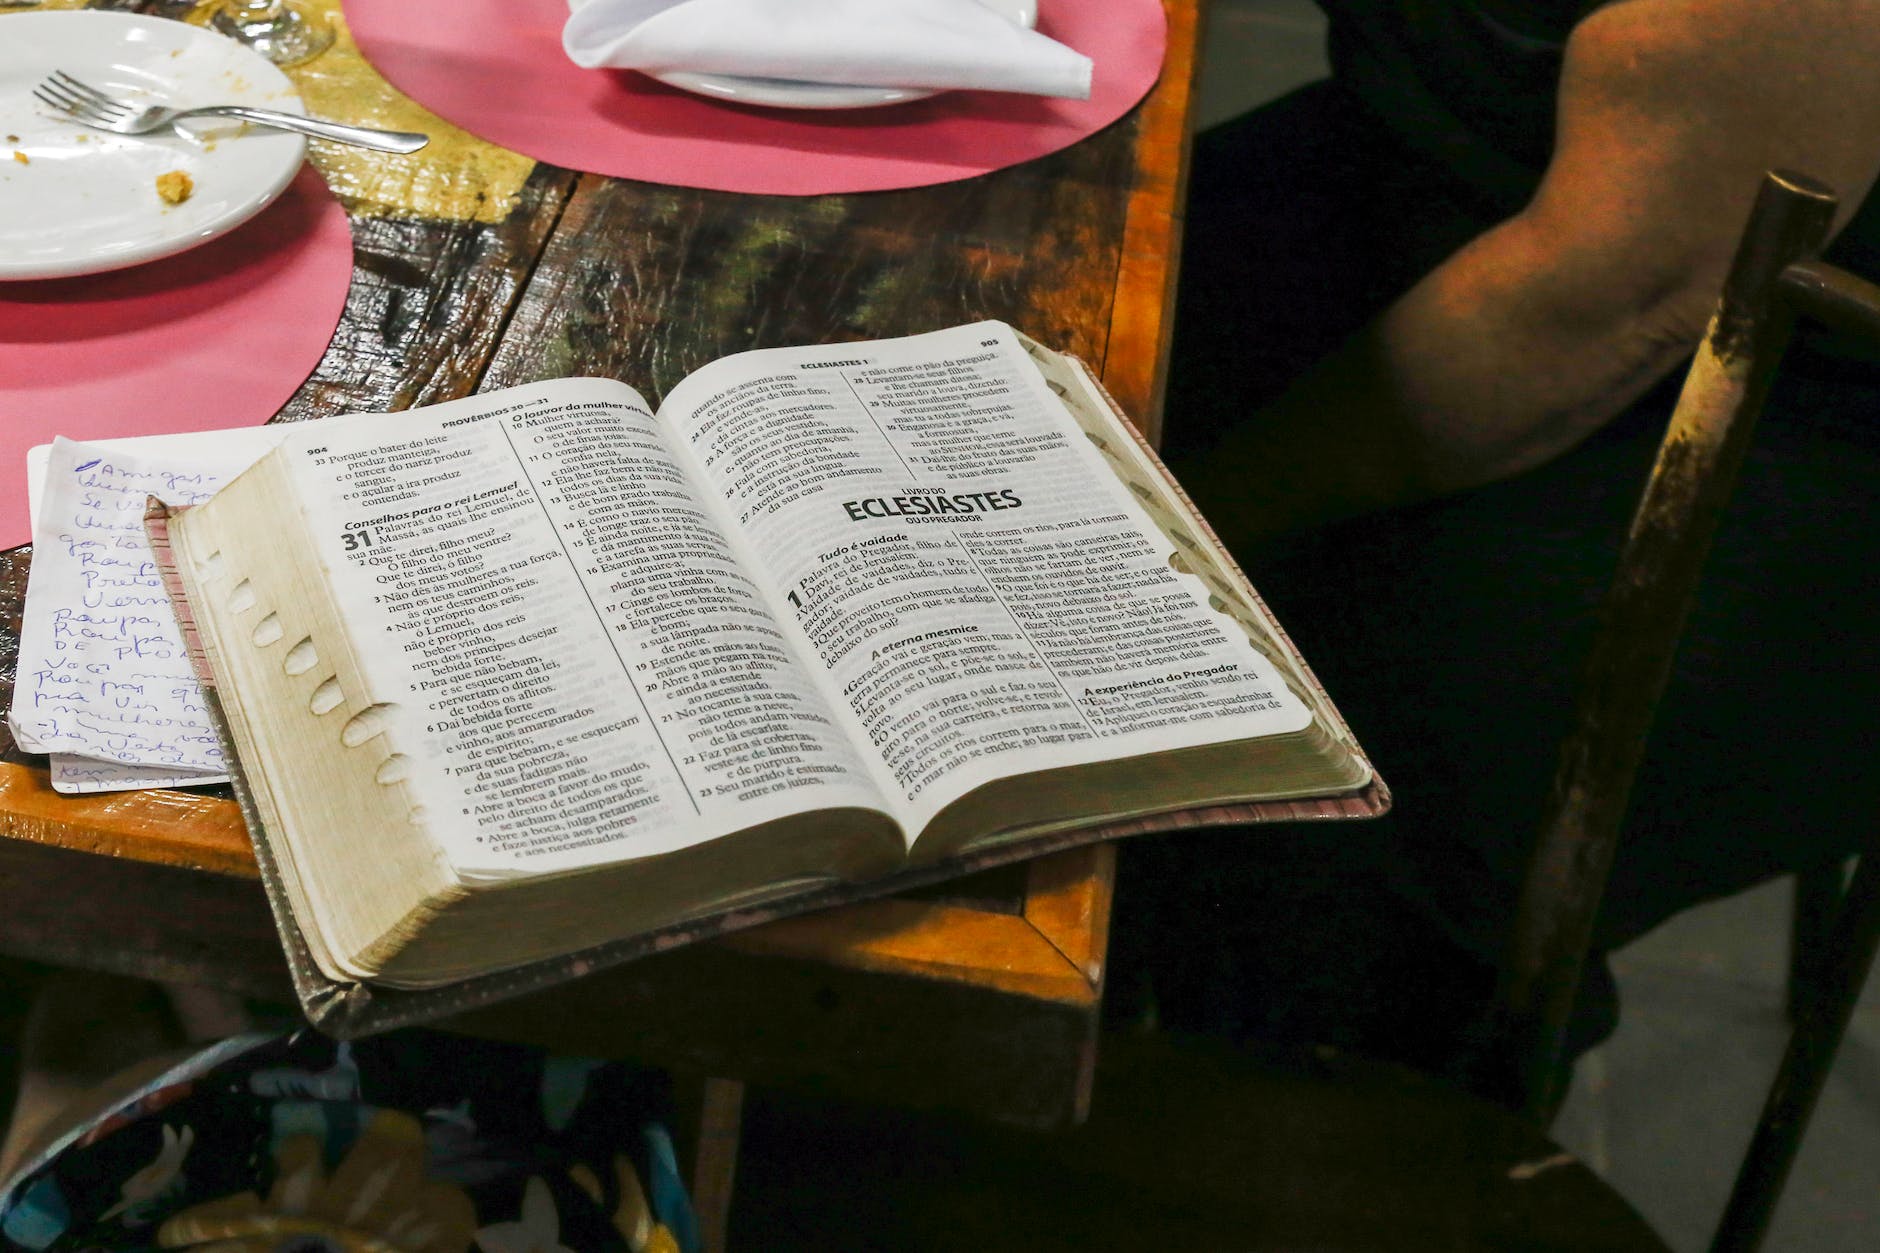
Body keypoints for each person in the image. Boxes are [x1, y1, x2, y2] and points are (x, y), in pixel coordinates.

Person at [1109, 0, 1880, 1085]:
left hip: (1802, 379)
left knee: (1337, 780)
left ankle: (1335, 1152)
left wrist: (1152, 539)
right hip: (1473, 155)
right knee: (1007, 354)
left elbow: (1615, 291)